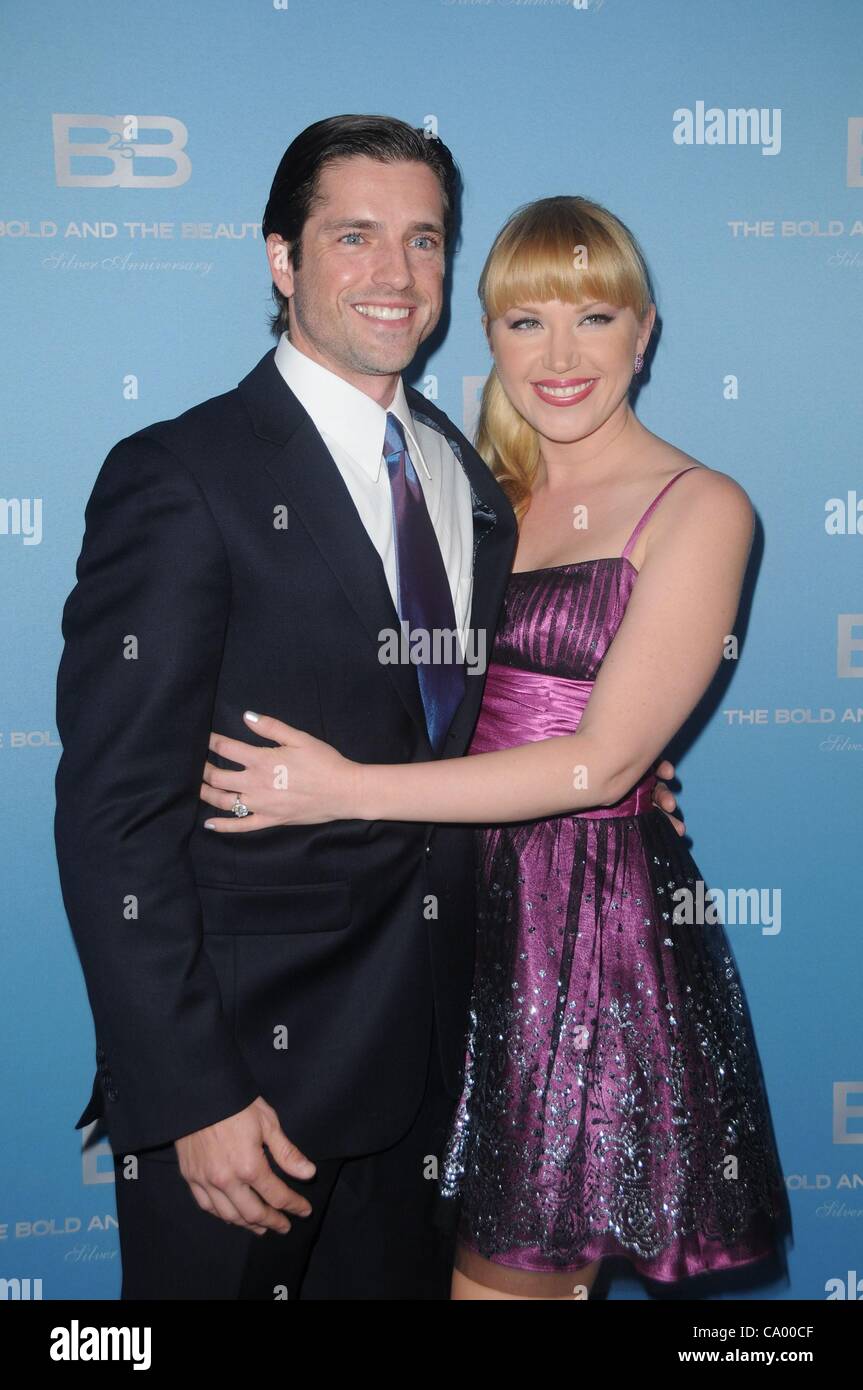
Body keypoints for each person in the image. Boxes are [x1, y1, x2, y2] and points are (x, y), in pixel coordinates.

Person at [54, 119, 682, 1301]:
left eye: (423, 240)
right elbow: (110, 814)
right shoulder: (182, 475)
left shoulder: (475, 483)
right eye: (354, 237)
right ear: (282, 260)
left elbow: (492, 721)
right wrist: (192, 1090)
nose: (394, 274)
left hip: (439, 1069)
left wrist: (615, 768)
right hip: (245, 1089)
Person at [199, 194, 792, 1300]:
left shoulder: (702, 504)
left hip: (580, 930)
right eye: (524, 323)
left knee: (505, 1282)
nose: (558, 356)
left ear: (645, 332)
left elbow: (605, 763)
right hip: (435, 911)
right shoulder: (473, 490)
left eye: (593, 319)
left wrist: (338, 787)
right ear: (487, 338)